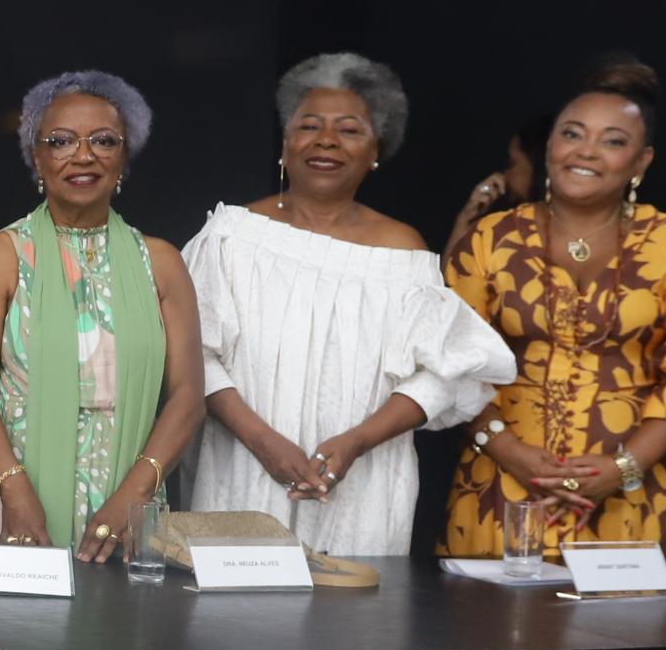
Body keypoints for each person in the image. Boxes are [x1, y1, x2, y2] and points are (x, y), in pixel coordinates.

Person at [182, 53, 514, 556]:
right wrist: (263, 442)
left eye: (349, 130)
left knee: (353, 605)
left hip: (364, 487)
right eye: (309, 125)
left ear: (376, 151)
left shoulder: (402, 251)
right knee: (237, 599)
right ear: (286, 143)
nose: (327, 140)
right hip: (241, 470)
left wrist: (357, 441)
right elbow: (192, 355)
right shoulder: (231, 236)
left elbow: (446, 372)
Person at [442, 62, 666, 561]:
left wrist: (623, 468)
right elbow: (448, 359)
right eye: (572, 134)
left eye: (612, 141)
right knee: (493, 612)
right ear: (550, 145)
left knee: (626, 615)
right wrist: (509, 452)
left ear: (642, 161)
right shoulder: (491, 239)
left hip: (631, 495)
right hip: (503, 487)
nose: (586, 151)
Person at [0, 69, 205, 562]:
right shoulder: (0, 256)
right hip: (17, 499)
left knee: (123, 616)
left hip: (131, 503)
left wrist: (133, 497)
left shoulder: (162, 263)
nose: (83, 155)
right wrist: (15, 493)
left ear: (124, 157)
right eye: (61, 141)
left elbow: (188, 397)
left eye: (103, 141)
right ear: (36, 157)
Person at [441, 111, 557, 260]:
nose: (505, 175)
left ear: (538, 165)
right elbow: (453, 273)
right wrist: (464, 222)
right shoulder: (499, 230)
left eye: (512, 163)